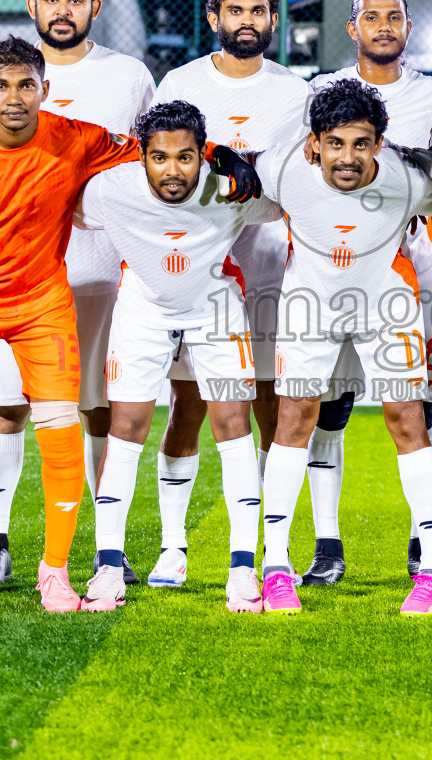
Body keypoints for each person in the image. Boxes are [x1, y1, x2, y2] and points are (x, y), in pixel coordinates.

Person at [0, 37, 256, 614]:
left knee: (59, 434)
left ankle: (54, 574)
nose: (14, 97)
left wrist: (222, 153)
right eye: (1, 85)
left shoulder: (75, 138)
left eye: (26, 85)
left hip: (41, 306)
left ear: (44, 90)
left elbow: (158, 147)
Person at [0, 0, 156, 588]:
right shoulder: (5, 79)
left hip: (103, 271)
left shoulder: (129, 77)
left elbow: (152, 162)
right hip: (16, 274)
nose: (63, 10)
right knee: (7, 405)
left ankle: (110, 545)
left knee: (98, 409)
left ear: (95, 9)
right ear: (32, 6)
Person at [71, 101, 277, 613]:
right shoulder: (110, 190)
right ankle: (108, 568)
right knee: (127, 428)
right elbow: (66, 203)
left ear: (203, 156)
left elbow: (286, 192)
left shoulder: (232, 188)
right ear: (143, 155)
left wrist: (243, 160)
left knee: (234, 427)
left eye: (186, 157)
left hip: (215, 306)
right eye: (160, 158)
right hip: (142, 307)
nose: (172, 170)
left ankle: (243, 571)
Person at [254, 79, 432, 615]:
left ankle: (431, 566)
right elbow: (232, 164)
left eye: (361, 143)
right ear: (314, 143)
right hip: (310, 301)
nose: (348, 156)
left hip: (386, 299)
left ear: (379, 144)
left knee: (408, 421)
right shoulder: (283, 169)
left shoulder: (408, 180)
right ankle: (275, 566)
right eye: (335, 143)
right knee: (294, 420)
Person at [149, 0, 309, 587]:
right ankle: (172, 546)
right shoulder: (181, 83)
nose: (248, 21)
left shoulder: (295, 91)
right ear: (214, 19)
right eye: (235, 11)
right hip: (197, 261)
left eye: (258, 11)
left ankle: (274, 552)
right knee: (188, 401)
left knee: (270, 401)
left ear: (272, 19)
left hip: (272, 258)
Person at [301, 0, 432, 585]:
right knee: (326, 409)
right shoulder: (322, 93)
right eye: (371, 17)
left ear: (408, 28)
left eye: (394, 17)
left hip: (409, 265)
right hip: (332, 267)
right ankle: (327, 546)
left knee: (417, 407)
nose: (383, 26)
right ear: (352, 28)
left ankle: (425, 541)